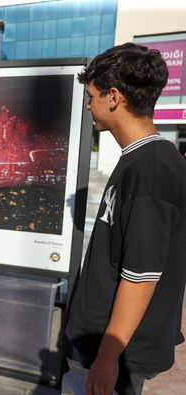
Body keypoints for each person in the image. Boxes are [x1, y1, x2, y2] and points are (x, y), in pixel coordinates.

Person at [66, 42, 186, 395]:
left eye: (91, 96)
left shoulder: (150, 170)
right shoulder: (143, 161)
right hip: (102, 347)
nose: (88, 105)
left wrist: (106, 358)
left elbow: (141, 276)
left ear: (114, 97)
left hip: (114, 355)